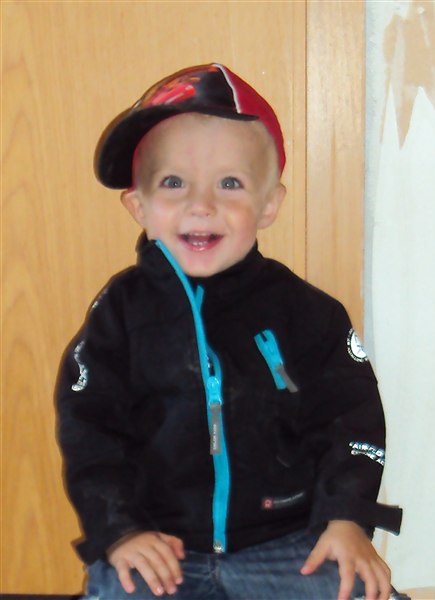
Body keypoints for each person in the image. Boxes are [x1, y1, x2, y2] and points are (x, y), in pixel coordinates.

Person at [56, 64, 403, 600]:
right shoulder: (119, 315)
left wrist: (347, 518)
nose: (201, 205)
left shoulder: (308, 313)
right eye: (174, 183)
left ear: (269, 205)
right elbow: (90, 433)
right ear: (138, 206)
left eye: (230, 183)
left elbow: (350, 420)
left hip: (290, 541)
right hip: (159, 545)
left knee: (354, 588)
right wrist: (120, 531)